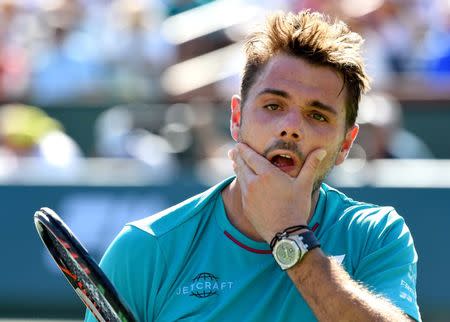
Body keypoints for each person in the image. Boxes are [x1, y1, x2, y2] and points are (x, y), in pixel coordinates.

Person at [85, 10, 421, 322]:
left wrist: (289, 237)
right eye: (273, 105)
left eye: (317, 115)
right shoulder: (145, 249)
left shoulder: (377, 235)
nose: (291, 127)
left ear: (345, 144)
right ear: (236, 118)